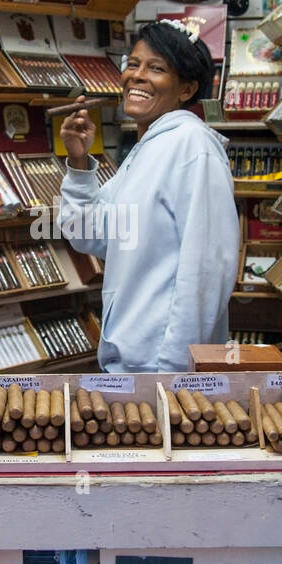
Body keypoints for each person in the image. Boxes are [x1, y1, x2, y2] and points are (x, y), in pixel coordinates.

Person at [57, 21, 238, 373]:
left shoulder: (191, 146)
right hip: (131, 362)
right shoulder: (148, 149)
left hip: (162, 368)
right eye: (133, 64)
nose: (137, 76)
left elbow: (207, 269)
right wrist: (79, 161)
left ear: (186, 89)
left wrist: (174, 371)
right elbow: (90, 236)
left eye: (156, 68)